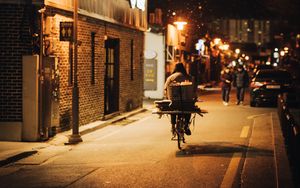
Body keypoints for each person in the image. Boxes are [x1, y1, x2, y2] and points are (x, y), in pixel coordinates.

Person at [164, 63, 194, 136]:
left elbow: (165, 88)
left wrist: (167, 96)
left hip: (174, 101)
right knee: (188, 110)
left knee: (173, 110)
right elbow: (193, 89)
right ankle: (186, 125)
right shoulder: (189, 77)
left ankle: (173, 126)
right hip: (186, 102)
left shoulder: (171, 77)